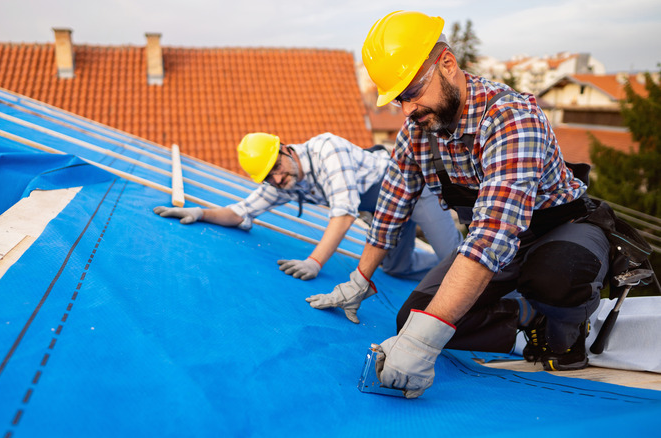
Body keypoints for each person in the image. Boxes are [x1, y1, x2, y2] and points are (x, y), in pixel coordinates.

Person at [309, 10, 612, 398]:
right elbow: (391, 206)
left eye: (413, 92)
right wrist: (360, 279)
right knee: (410, 319)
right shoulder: (419, 132)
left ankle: (566, 328)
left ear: (447, 64)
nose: (406, 109)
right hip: (502, 245)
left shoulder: (511, 119)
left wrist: (424, 344)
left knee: (556, 276)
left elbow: (491, 236)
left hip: (561, 229)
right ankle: (527, 315)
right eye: (398, 99)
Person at [154, 132, 462, 290]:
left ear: (286, 149)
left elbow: (343, 214)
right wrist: (201, 213)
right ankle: (441, 266)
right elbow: (241, 212)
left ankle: (509, 309)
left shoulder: (328, 150)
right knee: (397, 268)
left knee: (460, 263)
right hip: (387, 211)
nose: (276, 179)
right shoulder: (284, 180)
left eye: (276, 168)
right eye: (268, 177)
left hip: (413, 190)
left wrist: (314, 262)